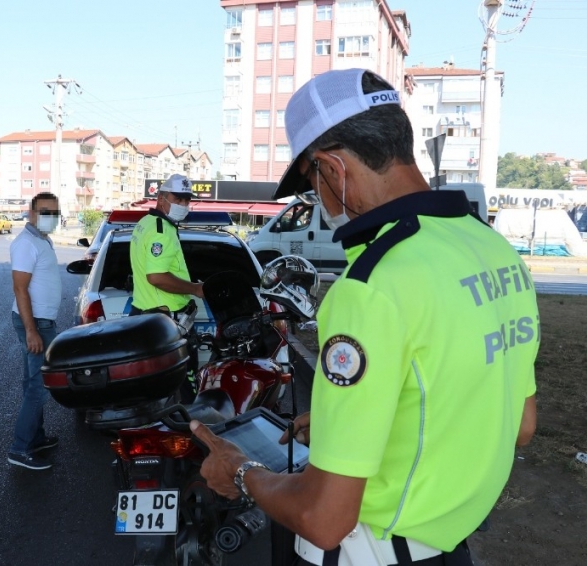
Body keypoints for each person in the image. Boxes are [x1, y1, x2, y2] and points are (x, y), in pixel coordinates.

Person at [191, 68, 539, 565]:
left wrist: (240, 470)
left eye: (311, 183)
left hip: (372, 551)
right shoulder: (495, 250)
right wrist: (357, 425)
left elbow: (324, 520)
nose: (318, 199)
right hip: (450, 545)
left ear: (333, 167)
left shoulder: (371, 284)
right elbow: (518, 421)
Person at [129, 173, 204, 401]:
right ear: (161, 198)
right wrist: (194, 289)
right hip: (165, 322)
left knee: (156, 389)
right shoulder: (161, 231)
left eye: (186, 200)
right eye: (177, 199)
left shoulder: (146, 223)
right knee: (185, 392)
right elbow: (156, 277)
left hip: (148, 317)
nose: (183, 205)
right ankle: (184, 432)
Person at [8, 192, 63, 470]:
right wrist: (31, 330)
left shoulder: (41, 239)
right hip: (36, 323)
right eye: (44, 211)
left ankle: (36, 438)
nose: (49, 217)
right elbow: (20, 288)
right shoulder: (26, 243)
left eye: (54, 212)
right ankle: (20, 448)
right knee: (39, 388)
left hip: (42, 321)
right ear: (30, 212)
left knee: (33, 382)